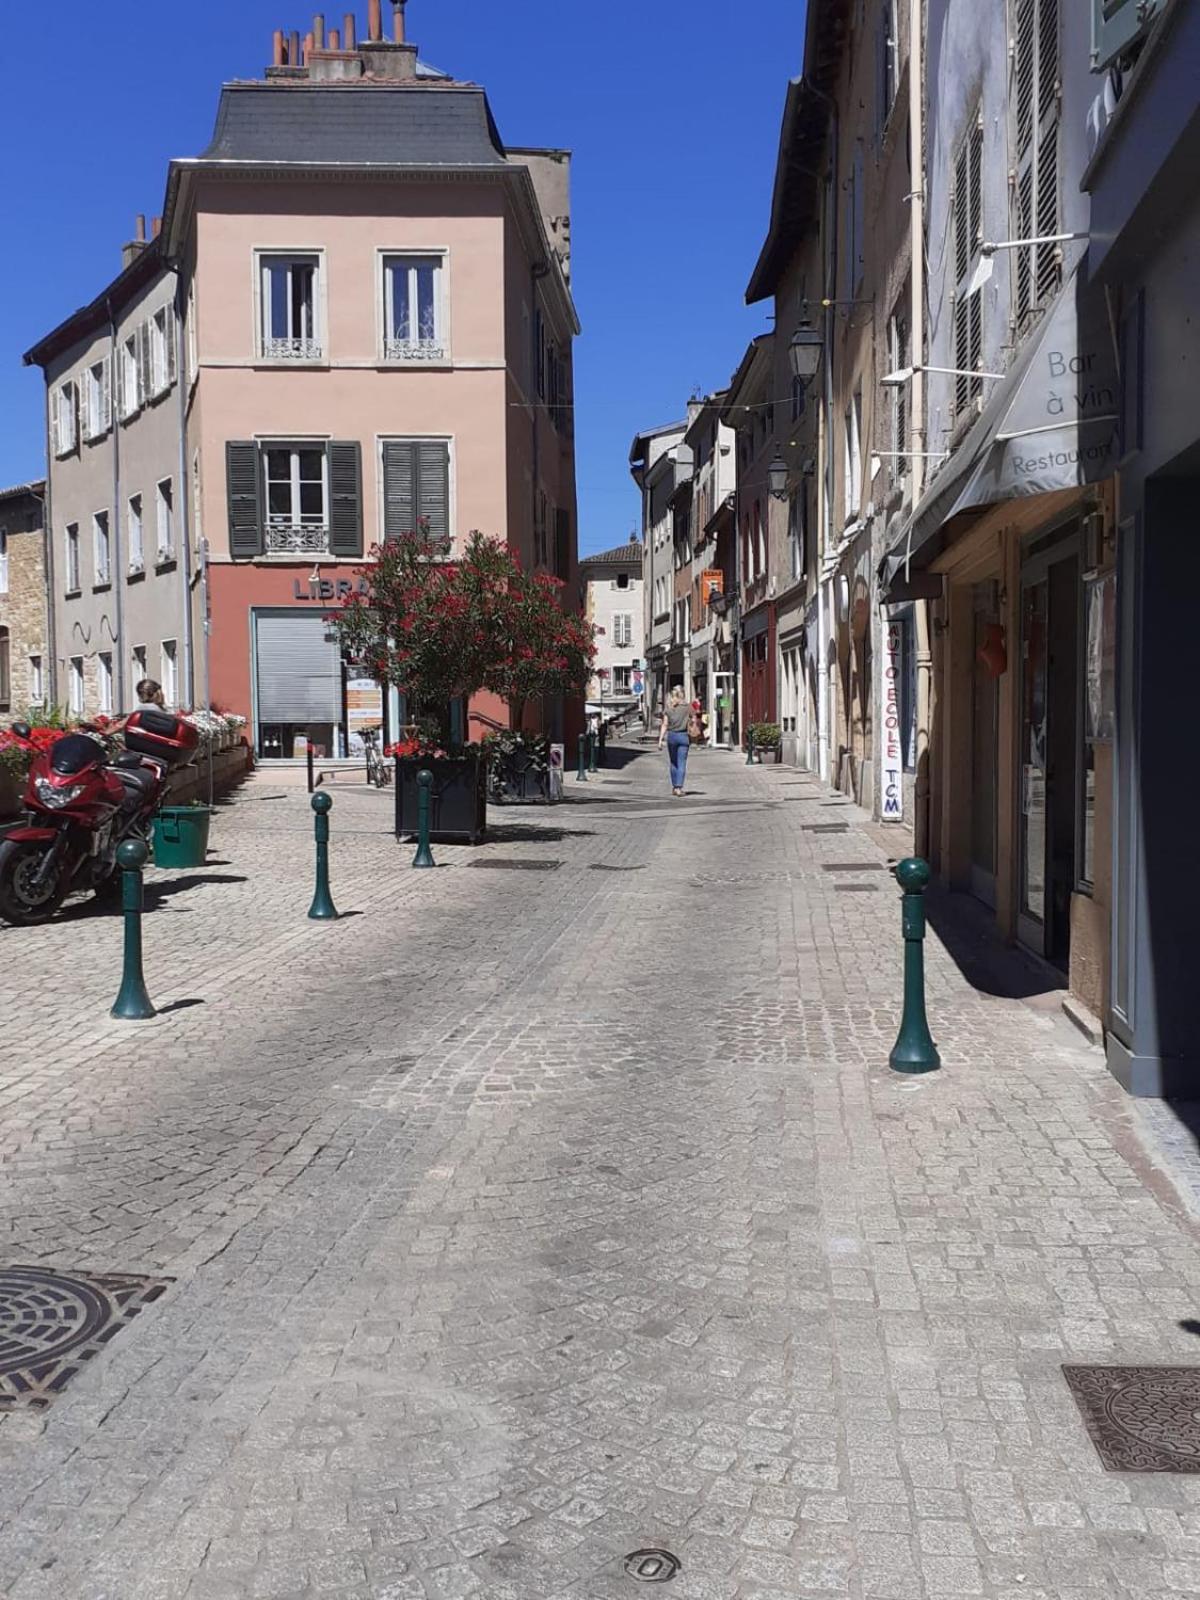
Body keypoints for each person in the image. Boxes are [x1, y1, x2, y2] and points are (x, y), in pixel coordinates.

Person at [658, 687, 693, 796]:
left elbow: (664, 724)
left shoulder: (668, 709)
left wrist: (660, 739)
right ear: (682, 695)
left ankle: (674, 787)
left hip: (672, 736)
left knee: (673, 762)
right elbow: (693, 716)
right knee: (682, 762)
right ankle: (679, 787)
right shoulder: (687, 707)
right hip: (683, 736)